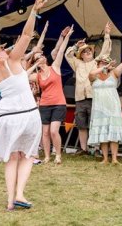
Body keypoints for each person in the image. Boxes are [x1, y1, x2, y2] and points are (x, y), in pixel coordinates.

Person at [0, 0, 46, 211]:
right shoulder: (12, 61)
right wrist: (34, 11)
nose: (3, 49)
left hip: (6, 119)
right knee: (27, 155)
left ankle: (10, 201)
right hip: (26, 115)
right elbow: (26, 35)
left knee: (12, 158)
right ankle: (19, 194)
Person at [65, 22, 112, 155]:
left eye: (89, 51)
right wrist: (76, 46)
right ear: (81, 56)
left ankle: (96, 148)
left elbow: (106, 51)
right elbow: (68, 55)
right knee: (81, 124)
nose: (87, 52)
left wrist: (107, 34)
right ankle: (84, 148)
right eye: (84, 52)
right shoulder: (77, 63)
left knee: (95, 124)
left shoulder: (96, 61)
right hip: (80, 98)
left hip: (94, 97)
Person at [88, 41, 122, 164]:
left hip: (112, 107)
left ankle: (115, 158)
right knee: (103, 133)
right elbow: (91, 73)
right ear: (98, 64)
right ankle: (105, 158)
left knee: (113, 133)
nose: (105, 65)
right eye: (102, 63)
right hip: (99, 108)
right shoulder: (94, 76)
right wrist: (103, 67)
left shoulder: (114, 74)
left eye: (106, 62)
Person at [30, 25, 74, 164]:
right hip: (44, 105)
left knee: (54, 131)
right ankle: (47, 156)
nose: (41, 57)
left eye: (41, 56)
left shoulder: (54, 67)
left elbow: (60, 51)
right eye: (38, 57)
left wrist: (66, 37)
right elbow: (22, 75)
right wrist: (32, 62)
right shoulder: (36, 75)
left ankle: (58, 155)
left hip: (58, 103)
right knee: (45, 132)